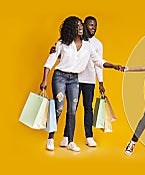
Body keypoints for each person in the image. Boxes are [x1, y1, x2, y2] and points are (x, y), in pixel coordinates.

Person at [40, 16, 123, 152]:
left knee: (72, 110)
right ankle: (50, 138)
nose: (80, 27)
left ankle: (70, 142)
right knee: (59, 108)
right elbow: (50, 61)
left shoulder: (88, 46)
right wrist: (44, 80)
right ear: (71, 28)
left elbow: (99, 61)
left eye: (80, 25)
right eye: (78, 25)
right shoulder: (62, 43)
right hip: (60, 76)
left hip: (74, 79)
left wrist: (114, 66)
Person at [50, 16, 104, 148]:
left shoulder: (96, 44)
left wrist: (101, 82)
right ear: (84, 26)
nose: (93, 28)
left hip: (89, 80)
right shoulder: (70, 41)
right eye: (90, 25)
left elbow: (99, 63)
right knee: (68, 108)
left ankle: (88, 136)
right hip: (75, 78)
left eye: (95, 25)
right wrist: (55, 52)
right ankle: (66, 136)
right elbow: (66, 58)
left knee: (87, 108)